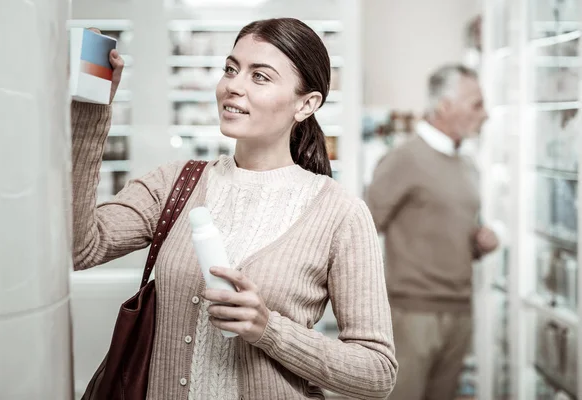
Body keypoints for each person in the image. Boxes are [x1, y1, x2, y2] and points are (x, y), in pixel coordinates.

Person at [73, 18, 397, 400]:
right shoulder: (175, 184)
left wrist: (269, 330)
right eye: (231, 69)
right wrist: (90, 111)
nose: (233, 86)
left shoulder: (341, 214)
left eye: (260, 76)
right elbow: (81, 247)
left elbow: (377, 372)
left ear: (306, 104)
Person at [366, 64, 499, 400]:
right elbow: (361, 230)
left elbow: (449, 230)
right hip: (413, 316)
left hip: (459, 311)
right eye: (476, 104)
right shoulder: (403, 159)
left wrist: (479, 242)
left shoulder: (467, 165)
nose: (485, 114)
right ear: (444, 106)